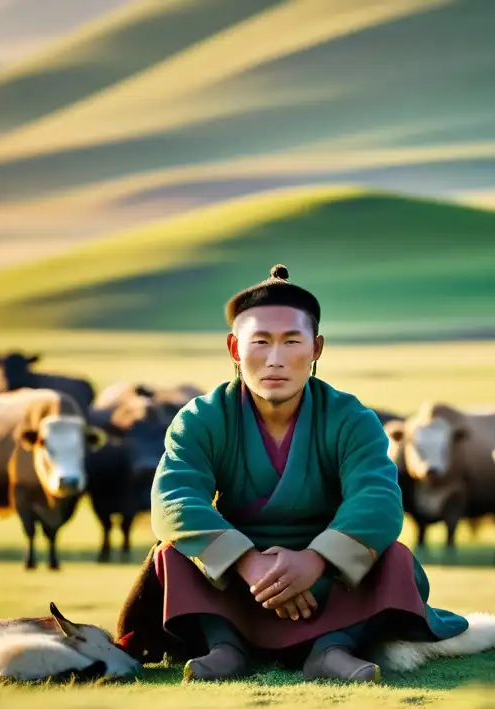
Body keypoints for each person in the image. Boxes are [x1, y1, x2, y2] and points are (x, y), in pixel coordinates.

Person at [115, 264, 468, 682]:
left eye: (292, 342)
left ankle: (331, 647)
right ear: (234, 348)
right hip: (235, 585)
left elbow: (378, 500)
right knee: (172, 553)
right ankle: (224, 645)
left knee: (393, 559)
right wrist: (247, 563)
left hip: (330, 581)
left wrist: (316, 560)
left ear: (316, 348)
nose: (275, 360)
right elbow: (173, 500)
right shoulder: (202, 418)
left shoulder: (351, 418)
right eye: (260, 342)